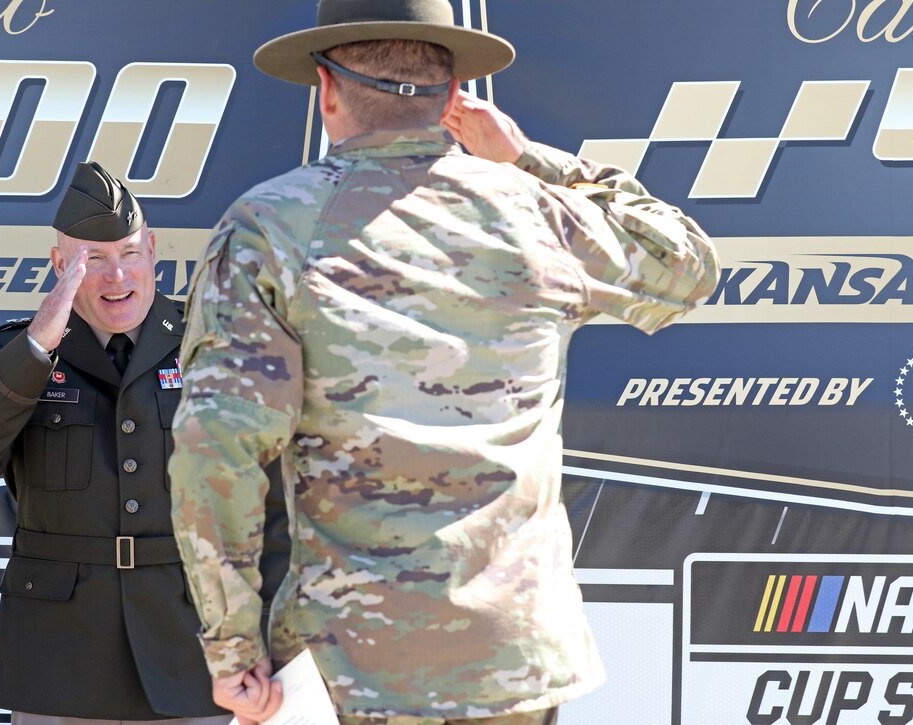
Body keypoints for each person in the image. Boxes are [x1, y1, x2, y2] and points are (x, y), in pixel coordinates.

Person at [168, 1, 720, 723]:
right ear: (455, 96)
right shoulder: (535, 211)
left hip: (351, 666)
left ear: (327, 92)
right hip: (512, 661)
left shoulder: (270, 227)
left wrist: (232, 647)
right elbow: (687, 263)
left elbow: (218, 444)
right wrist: (526, 159)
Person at [0, 161, 288, 725]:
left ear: (152, 250)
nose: (115, 277)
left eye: (127, 253)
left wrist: (270, 641)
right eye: (91, 259)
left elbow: (272, 503)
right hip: (60, 658)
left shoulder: (217, 347)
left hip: (192, 647)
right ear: (59, 265)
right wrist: (34, 349)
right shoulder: (16, 353)